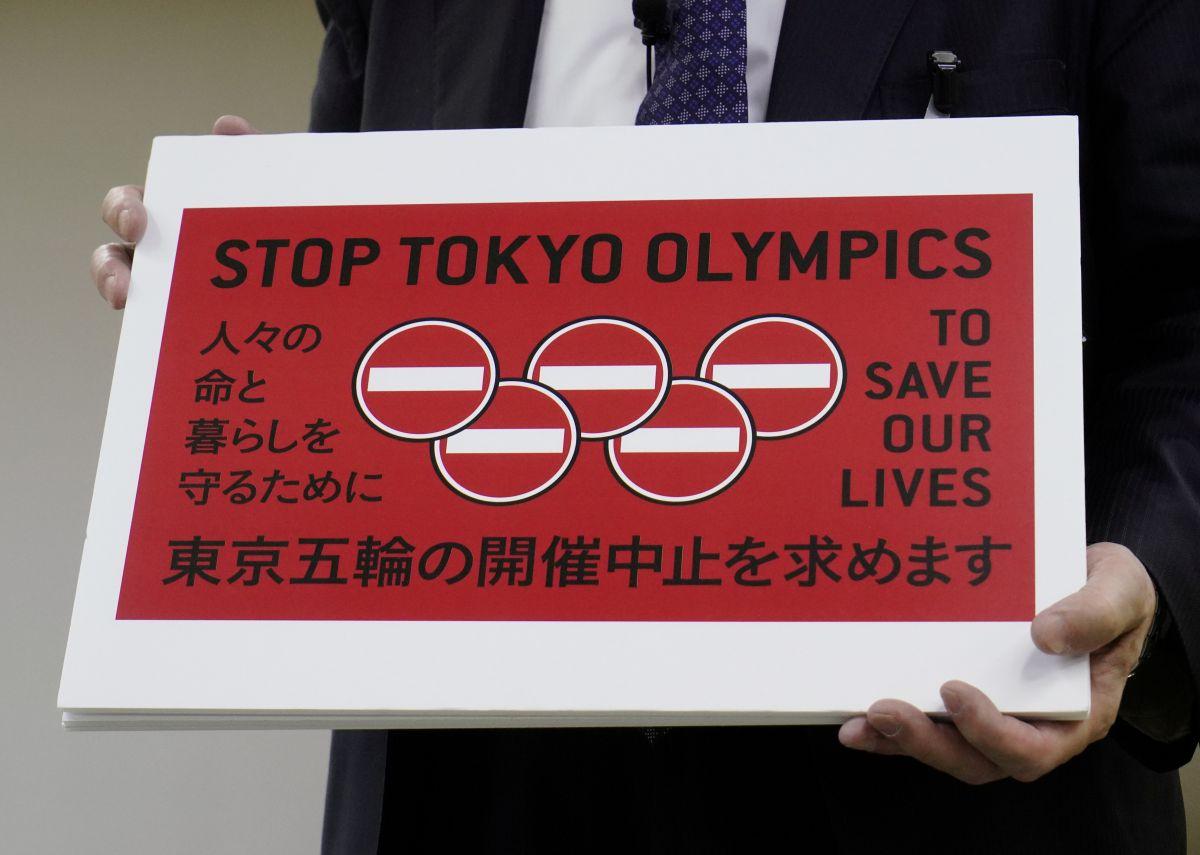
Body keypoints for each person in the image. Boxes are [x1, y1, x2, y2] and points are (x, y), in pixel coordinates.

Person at [90, 1, 1200, 852]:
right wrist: (240, 279)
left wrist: (1146, 570)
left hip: (945, 772)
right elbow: (386, 319)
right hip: (474, 778)